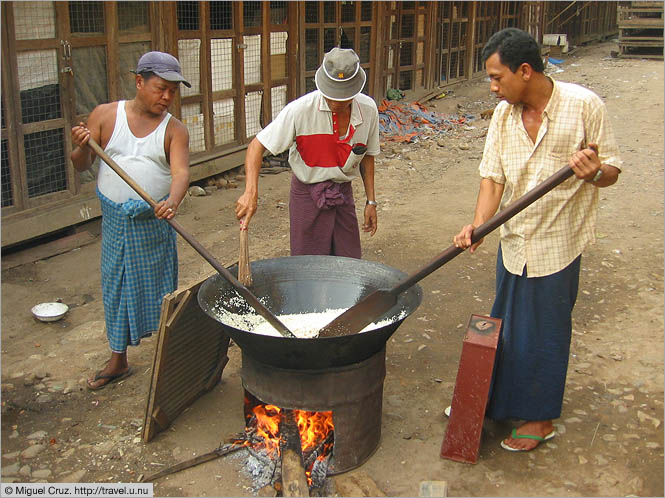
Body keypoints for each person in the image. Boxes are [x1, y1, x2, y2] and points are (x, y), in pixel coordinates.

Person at [452, 28, 622, 451]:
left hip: (558, 243)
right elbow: (492, 177)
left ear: (524, 71)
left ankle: (540, 418)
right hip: (514, 240)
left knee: (546, 332)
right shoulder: (503, 117)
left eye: (497, 77)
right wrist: (478, 224)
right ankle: (495, 401)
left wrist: (594, 172)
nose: (492, 87)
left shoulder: (584, 106)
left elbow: (612, 170)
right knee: (506, 327)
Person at [70, 51, 191, 390]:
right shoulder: (105, 116)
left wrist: (173, 201)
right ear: (139, 82)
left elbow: (181, 172)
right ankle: (118, 358)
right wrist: (81, 147)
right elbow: (80, 164)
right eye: (160, 89)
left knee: (158, 290)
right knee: (115, 287)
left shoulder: (175, 130)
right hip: (114, 221)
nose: (167, 97)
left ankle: (167, 358)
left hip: (152, 223)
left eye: (173, 91)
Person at [235, 47, 379, 258]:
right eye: (329, 95)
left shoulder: (368, 110)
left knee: (348, 263)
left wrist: (371, 202)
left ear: (355, 92)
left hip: (342, 193)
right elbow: (257, 146)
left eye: (341, 98)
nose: (333, 102)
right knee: (308, 266)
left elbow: (368, 156)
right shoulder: (299, 110)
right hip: (307, 195)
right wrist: (250, 192)